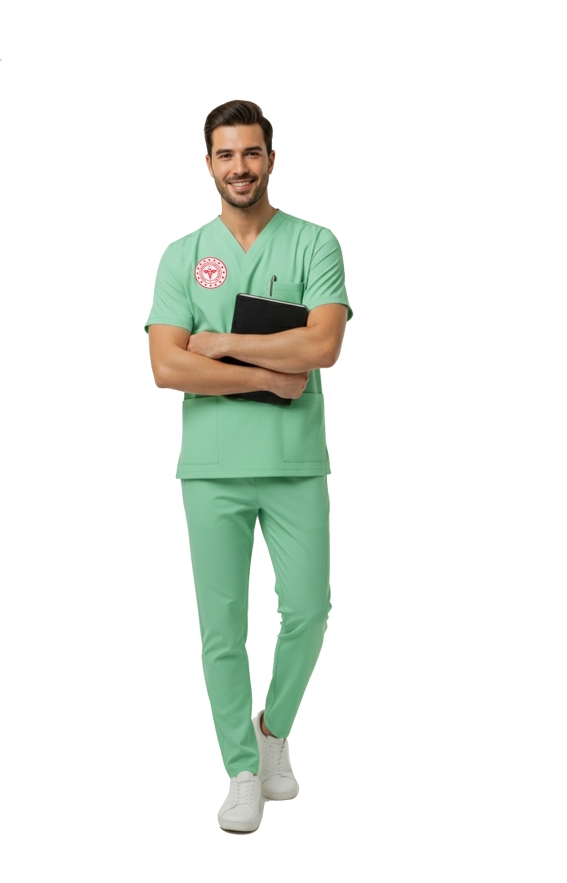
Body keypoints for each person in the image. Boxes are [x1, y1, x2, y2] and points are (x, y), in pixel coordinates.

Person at [145, 100, 352, 833]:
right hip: (212, 467)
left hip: (295, 461)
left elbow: (323, 346)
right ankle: (241, 769)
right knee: (221, 628)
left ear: (270, 158)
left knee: (309, 610)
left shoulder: (314, 244)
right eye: (227, 154)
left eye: (252, 152)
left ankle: (272, 731)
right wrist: (270, 374)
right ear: (209, 163)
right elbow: (167, 366)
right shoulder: (182, 255)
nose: (240, 167)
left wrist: (222, 343)